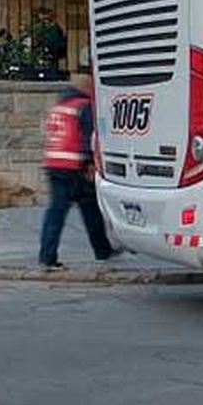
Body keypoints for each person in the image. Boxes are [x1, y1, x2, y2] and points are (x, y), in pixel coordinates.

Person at [39, 72, 115, 270]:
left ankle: (49, 254)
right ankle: (101, 250)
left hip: (54, 163)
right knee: (87, 209)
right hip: (74, 166)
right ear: (87, 89)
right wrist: (90, 162)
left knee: (60, 212)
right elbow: (87, 137)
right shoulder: (83, 106)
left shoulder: (59, 107)